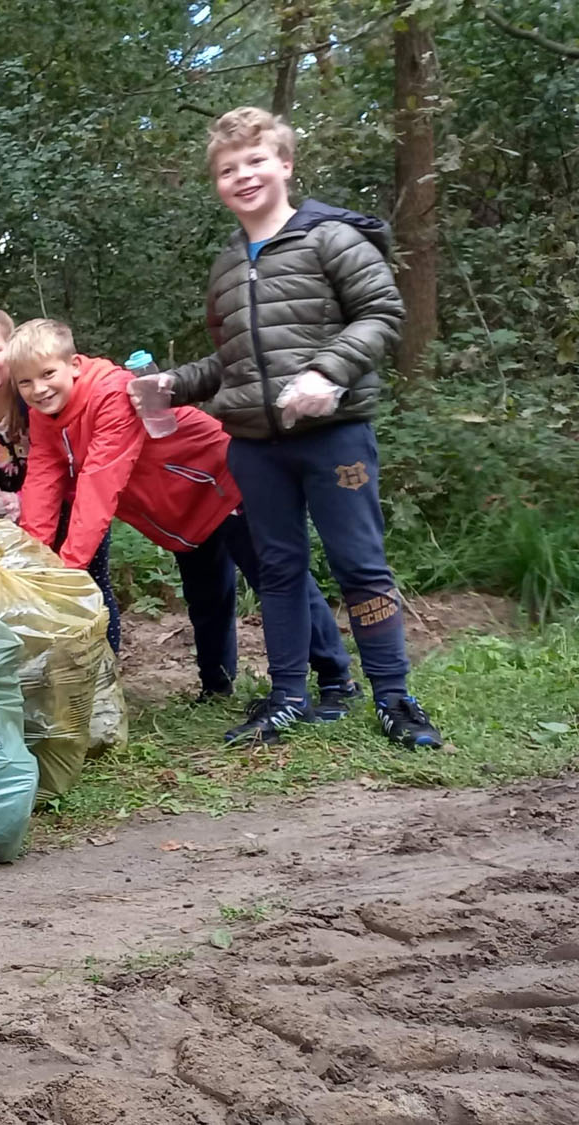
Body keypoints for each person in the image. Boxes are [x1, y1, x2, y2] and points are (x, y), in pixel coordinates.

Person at [131, 107, 435, 747]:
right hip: (254, 446)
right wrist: (175, 384)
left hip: (334, 435)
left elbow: (382, 313)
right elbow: (235, 361)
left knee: (360, 565)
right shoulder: (226, 266)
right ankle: (288, 696)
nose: (243, 176)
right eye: (227, 169)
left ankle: (395, 699)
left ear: (286, 165)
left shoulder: (331, 239)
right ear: (217, 183)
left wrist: (328, 371)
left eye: (256, 161)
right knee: (277, 571)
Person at [10, 318, 351, 717]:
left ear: (73, 365)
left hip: (224, 482)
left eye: (47, 374)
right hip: (182, 510)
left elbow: (99, 484)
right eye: (25, 382)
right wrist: (30, 563)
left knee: (276, 579)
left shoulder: (111, 394)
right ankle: (216, 686)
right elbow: (43, 480)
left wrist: (66, 572)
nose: (38, 389)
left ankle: (337, 680)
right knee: (206, 596)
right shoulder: (44, 415)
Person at [0, 307, 122, 652]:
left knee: (90, 584)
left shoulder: (38, 397)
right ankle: (45, 663)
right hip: (12, 516)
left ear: (14, 353)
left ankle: (103, 661)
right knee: (26, 589)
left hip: (72, 505)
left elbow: (65, 465)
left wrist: (25, 501)